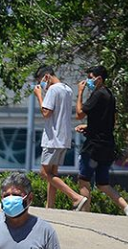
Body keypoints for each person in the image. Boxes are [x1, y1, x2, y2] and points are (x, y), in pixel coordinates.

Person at [74, 65, 128, 217]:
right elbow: (108, 121)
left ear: (98, 79)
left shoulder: (97, 94)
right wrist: (89, 126)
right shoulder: (109, 95)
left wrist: (80, 92)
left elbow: (79, 113)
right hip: (107, 146)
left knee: (83, 179)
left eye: (90, 77)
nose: (88, 81)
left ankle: (85, 215)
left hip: (93, 147)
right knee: (102, 183)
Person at [31, 66, 87, 210]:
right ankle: (50, 206)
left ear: (46, 77)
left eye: (41, 81)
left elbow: (46, 113)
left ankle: (76, 197)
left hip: (53, 138)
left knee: (44, 173)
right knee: (53, 173)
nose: (42, 85)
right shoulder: (67, 89)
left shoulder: (53, 89)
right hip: (64, 137)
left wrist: (38, 95)